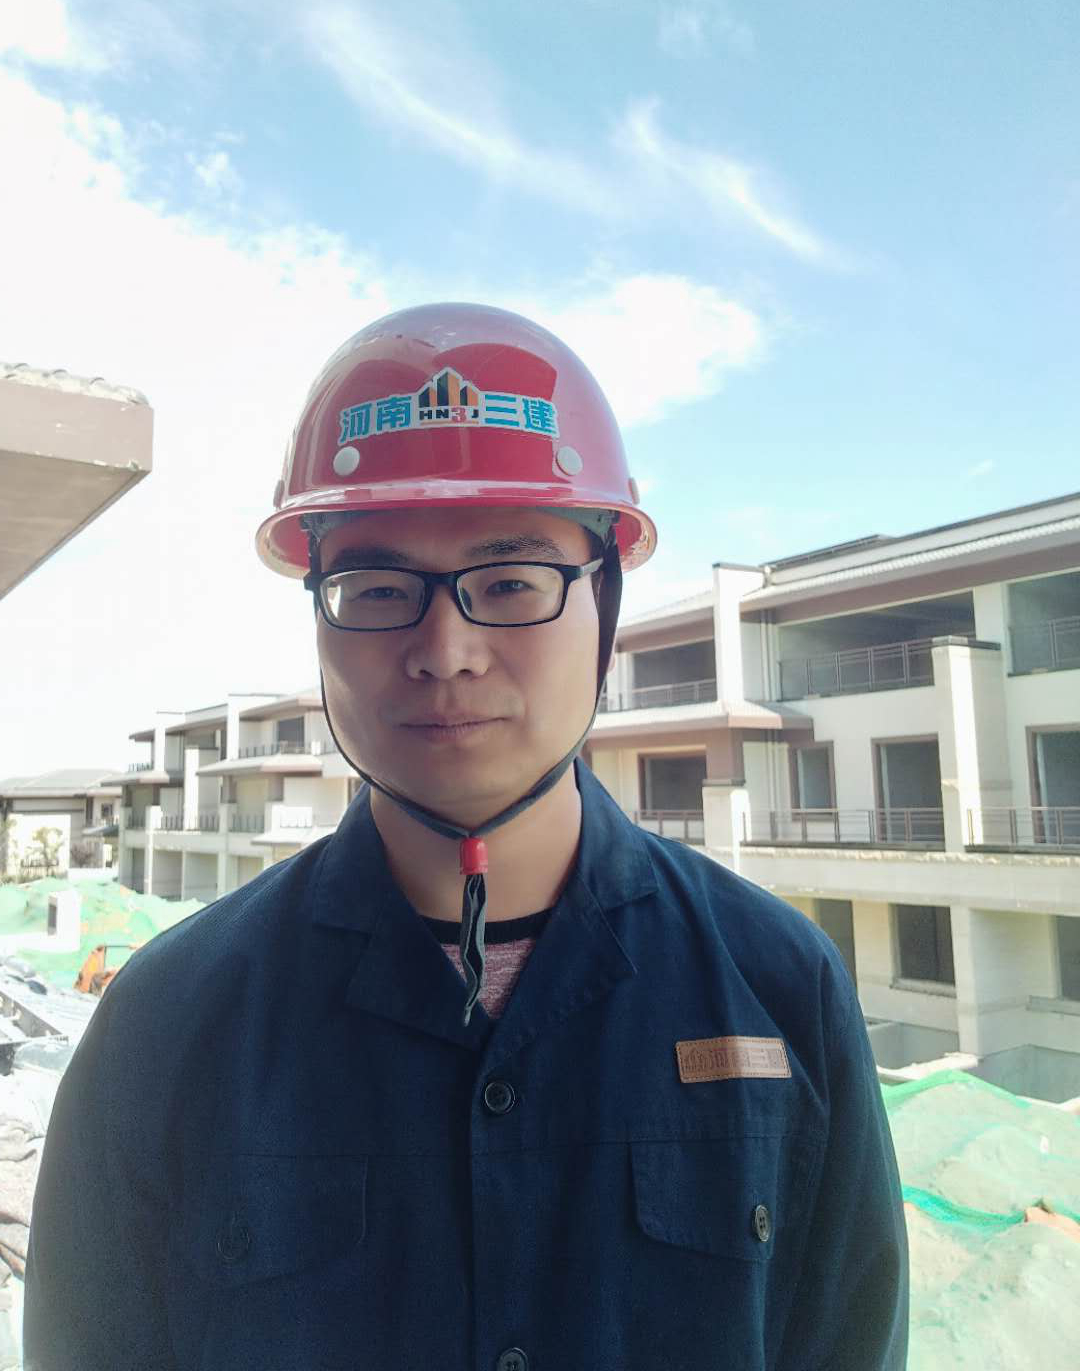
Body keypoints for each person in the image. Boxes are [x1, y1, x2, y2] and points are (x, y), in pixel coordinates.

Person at [24, 304, 908, 1370]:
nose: (445, 651)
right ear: (317, 616)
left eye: (511, 583)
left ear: (606, 603)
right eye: (377, 588)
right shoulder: (170, 1022)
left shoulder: (780, 988)